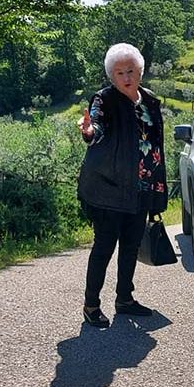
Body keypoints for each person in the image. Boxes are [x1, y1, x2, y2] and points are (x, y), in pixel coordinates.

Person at [77, 43, 168, 328]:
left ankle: (125, 299)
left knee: (131, 245)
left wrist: (157, 184)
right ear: (111, 75)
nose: (126, 77)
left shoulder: (150, 101)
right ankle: (91, 305)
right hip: (108, 187)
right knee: (104, 246)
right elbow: (97, 128)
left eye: (131, 70)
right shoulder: (104, 100)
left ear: (140, 71)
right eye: (119, 72)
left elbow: (155, 143)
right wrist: (89, 132)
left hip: (141, 187)